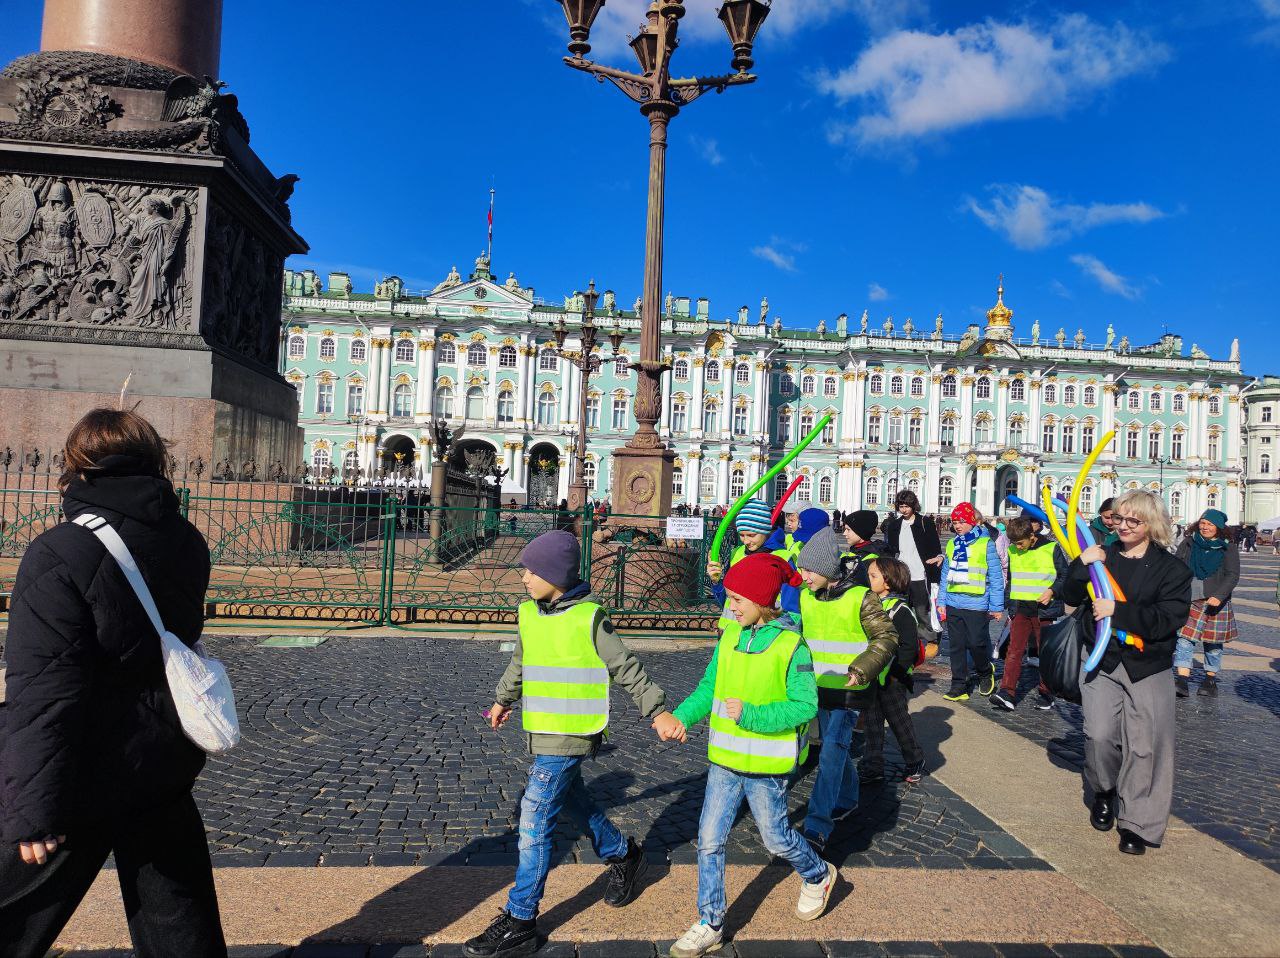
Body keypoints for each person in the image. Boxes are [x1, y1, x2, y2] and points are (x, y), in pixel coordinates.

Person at [0, 408, 227, 957]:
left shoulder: (59, 551)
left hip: (84, 765)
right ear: (156, 462)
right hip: (162, 754)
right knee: (178, 917)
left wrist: (34, 812)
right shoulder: (187, 540)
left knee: (13, 912)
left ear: (77, 468)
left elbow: (43, 690)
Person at [471, 530, 682, 957]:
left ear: (556, 575)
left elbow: (624, 665)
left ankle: (521, 918)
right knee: (573, 801)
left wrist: (657, 710)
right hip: (543, 729)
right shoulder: (529, 613)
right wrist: (501, 699)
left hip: (572, 732)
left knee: (533, 818)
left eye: (532, 571)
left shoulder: (590, 616)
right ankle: (624, 855)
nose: (524, 578)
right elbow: (522, 659)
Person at [661, 553, 836, 958]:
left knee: (775, 839)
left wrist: (755, 716)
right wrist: (682, 717)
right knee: (708, 841)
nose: (731, 606)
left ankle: (817, 873)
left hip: (766, 766)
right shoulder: (729, 636)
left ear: (762, 600)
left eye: (738, 599)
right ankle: (710, 922)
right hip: (724, 760)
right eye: (729, 598)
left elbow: (806, 705)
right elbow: (710, 686)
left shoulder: (793, 645)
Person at [1064, 491, 1191, 856]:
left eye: (1132, 521)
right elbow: (1071, 596)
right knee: (1099, 734)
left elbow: (1168, 619)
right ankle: (1104, 789)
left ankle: (1137, 821)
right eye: (1118, 519)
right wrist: (1080, 565)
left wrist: (1117, 611)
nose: (1122, 526)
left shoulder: (1172, 570)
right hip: (1101, 659)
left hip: (1147, 665)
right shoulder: (1103, 557)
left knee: (1146, 744)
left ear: (1151, 524)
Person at [793, 529, 898, 849]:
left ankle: (817, 825)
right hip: (817, 690)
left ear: (826, 569)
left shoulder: (861, 597)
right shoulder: (805, 596)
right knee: (833, 749)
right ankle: (849, 797)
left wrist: (862, 668)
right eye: (801, 569)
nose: (803, 576)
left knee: (831, 753)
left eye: (809, 570)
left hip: (850, 693)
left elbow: (887, 638)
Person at [860, 556, 926, 786]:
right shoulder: (871, 604)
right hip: (872, 676)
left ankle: (914, 759)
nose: (868, 579)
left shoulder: (900, 609)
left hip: (892, 678)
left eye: (873, 576)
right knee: (872, 723)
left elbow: (908, 646)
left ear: (888, 581)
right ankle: (872, 765)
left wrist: (897, 673)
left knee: (899, 722)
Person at [990, 516, 1067, 712]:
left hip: (1044, 611)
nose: (1018, 547)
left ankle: (1046, 692)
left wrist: (1052, 591)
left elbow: (1065, 575)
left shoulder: (1051, 548)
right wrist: (1010, 606)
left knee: (1045, 653)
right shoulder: (1012, 550)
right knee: (1014, 651)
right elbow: (1012, 579)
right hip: (1021, 609)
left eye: (1020, 543)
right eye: (1014, 543)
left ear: (1032, 535)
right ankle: (1007, 692)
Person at [936, 502, 1004, 702]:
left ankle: (985, 671)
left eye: (962, 522)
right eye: (955, 522)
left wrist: (996, 606)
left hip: (977, 603)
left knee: (976, 643)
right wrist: (942, 600)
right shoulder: (952, 544)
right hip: (953, 602)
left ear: (972, 522)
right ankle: (959, 685)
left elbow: (996, 576)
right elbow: (946, 574)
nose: (957, 526)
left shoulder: (986, 544)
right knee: (956, 646)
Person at [1173, 509, 1240, 698]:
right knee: (1184, 640)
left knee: (1213, 643)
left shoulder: (1228, 548)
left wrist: (1219, 595)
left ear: (1218, 528)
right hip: (1189, 598)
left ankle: (1210, 679)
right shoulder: (1188, 542)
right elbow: (1177, 565)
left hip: (1215, 602)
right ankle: (1182, 680)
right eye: (1203, 523)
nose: (1205, 527)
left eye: (1210, 524)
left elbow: (1232, 574)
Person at [881, 490, 944, 658]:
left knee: (922, 610)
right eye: (901, 506)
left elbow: (935, 547)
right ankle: (907, 640)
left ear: (913, 505)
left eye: (907, 506)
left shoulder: (925, 523)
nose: (904, 510)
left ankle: (931, 639)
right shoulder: (894, 525)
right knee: (903, 609)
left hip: (920, 574)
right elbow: (891, 549)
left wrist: (937, 559)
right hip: (901, 575)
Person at [708, 499, 785, 632]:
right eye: (742, 535)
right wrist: (716, 581)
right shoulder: (737, 554)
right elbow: (727, 600)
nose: (746, 541)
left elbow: (791, 606)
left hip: (764, 635)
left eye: (751, 535)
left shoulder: (781, 558)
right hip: (730, 632)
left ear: (765, 530)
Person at [839, 509, 882, 588]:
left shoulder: (871, 559)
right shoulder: (855, 551)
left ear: (860, 531)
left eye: (848, 530)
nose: (844, 533)